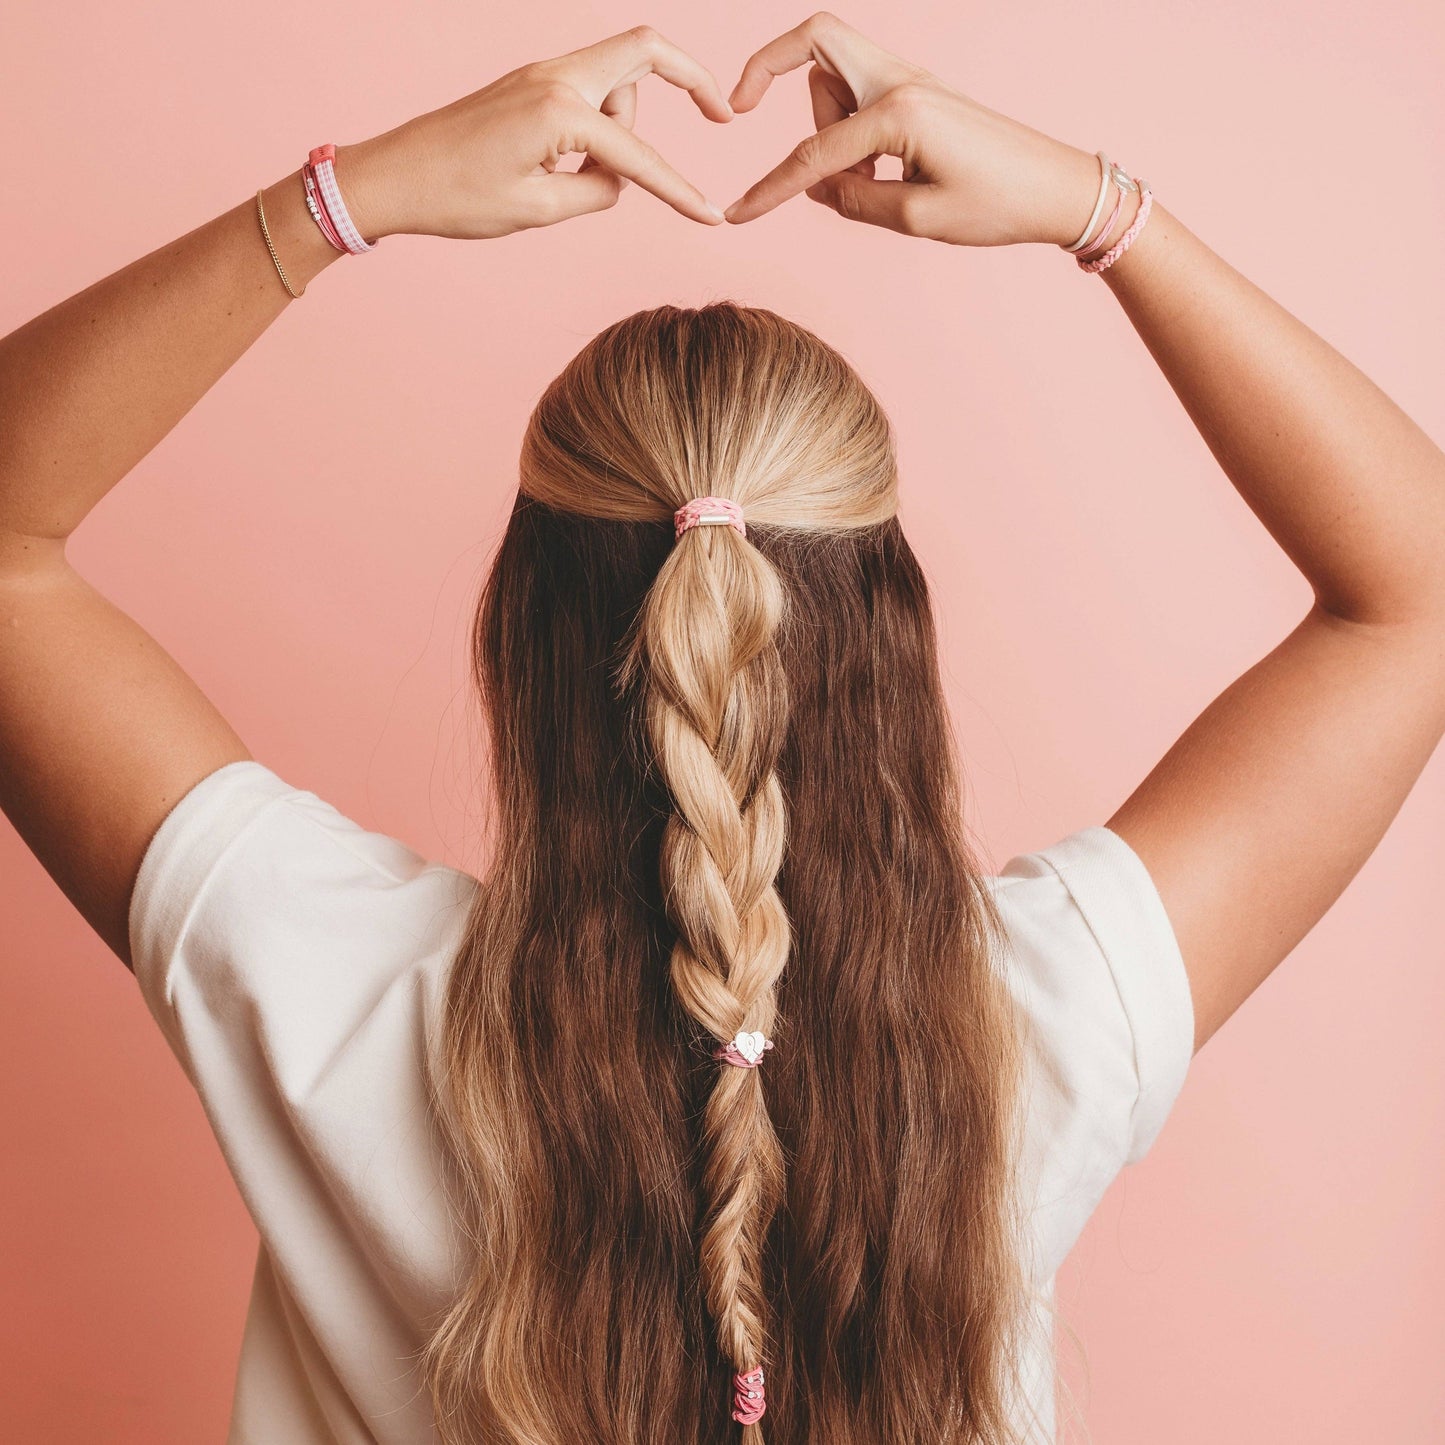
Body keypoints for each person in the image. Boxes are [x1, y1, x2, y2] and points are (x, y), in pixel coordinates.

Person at [2, 13, 1442, 1445]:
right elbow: (1416, 595)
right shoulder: (1045, 1023)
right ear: (887, 645)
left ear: (520, 635)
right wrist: (1094, 210)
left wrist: (346, 199)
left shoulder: (328, 982)